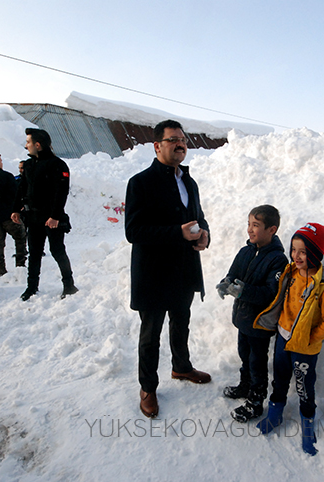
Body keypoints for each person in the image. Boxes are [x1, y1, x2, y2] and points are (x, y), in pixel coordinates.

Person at [125, 119, 211, 419]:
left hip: (184, 270)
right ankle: (147, 387)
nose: (180, 144)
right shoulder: (140, 183)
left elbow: (198, 217)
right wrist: (177, 233)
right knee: (150, 334)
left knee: (181, 322)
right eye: (173, 139)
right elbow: (134, 231)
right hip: (153, 272)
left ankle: (182, 367)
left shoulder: (189, 182)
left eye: (183, 139)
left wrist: (204, 234)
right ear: (157, 146)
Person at [253, 223, 324, 456]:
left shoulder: (323, 286)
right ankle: (274, 414)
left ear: (316, 253)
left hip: (305, 348)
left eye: (303, 251)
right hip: (283, 336)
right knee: (279, 377)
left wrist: (311, 337)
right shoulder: (291, 273)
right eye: (294, 249)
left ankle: (308, 425)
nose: (296, 256)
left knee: (303, 386)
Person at [216, 205, 287, 423]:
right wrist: (226, 283)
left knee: (257, 361)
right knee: (244, 356)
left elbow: (270, 294)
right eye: (248, 224)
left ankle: (256, 401)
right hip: (243, 319)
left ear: (271, 229)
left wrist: (243, 291)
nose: (249, 230)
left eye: (255, 225)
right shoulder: (245, 251)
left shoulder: (278, 260)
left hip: (260, 323)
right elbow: (233, 273)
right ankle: (245, 386)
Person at [11, 128, 78, 301]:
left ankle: (69, 285)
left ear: (38, 145)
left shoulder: (58, 165)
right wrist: (16, 209)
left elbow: (61, 192)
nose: (26, 146)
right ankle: (31, 288)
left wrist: (55, 216)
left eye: (28, 142)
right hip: (33, 217)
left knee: (57, 251)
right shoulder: (29, 165)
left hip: (52, 218)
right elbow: (22, 188)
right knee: (34, 253)